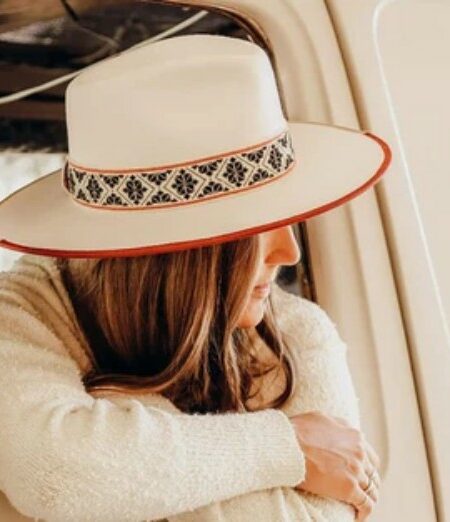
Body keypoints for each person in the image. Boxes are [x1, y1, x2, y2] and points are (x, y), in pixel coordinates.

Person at [0, 33, 391, 522]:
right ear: (178, 253)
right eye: (258, 227)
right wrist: (289, 445)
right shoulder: (20, 312)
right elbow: (56, 476)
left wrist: (113, 430)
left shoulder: (297, 331)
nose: (289, 252)